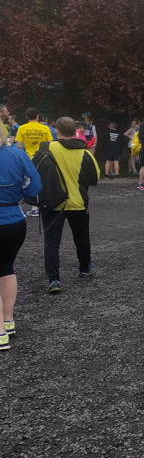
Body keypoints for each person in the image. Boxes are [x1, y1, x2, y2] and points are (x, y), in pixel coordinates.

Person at [40, 117, 100, 294]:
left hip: (52, 202)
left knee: (51, 242)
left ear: (56, 131)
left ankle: (53, 280)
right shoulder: (85, 153)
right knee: (81, 238)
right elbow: (95, 178)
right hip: (78, 202)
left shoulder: (46, 148)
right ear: (75, 131)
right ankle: (84, 268)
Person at [0, 141, 42, 348]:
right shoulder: (17, 155)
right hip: (14, 219)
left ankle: (0, 333)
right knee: (6, 268)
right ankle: (7, 321)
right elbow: (33, 187)